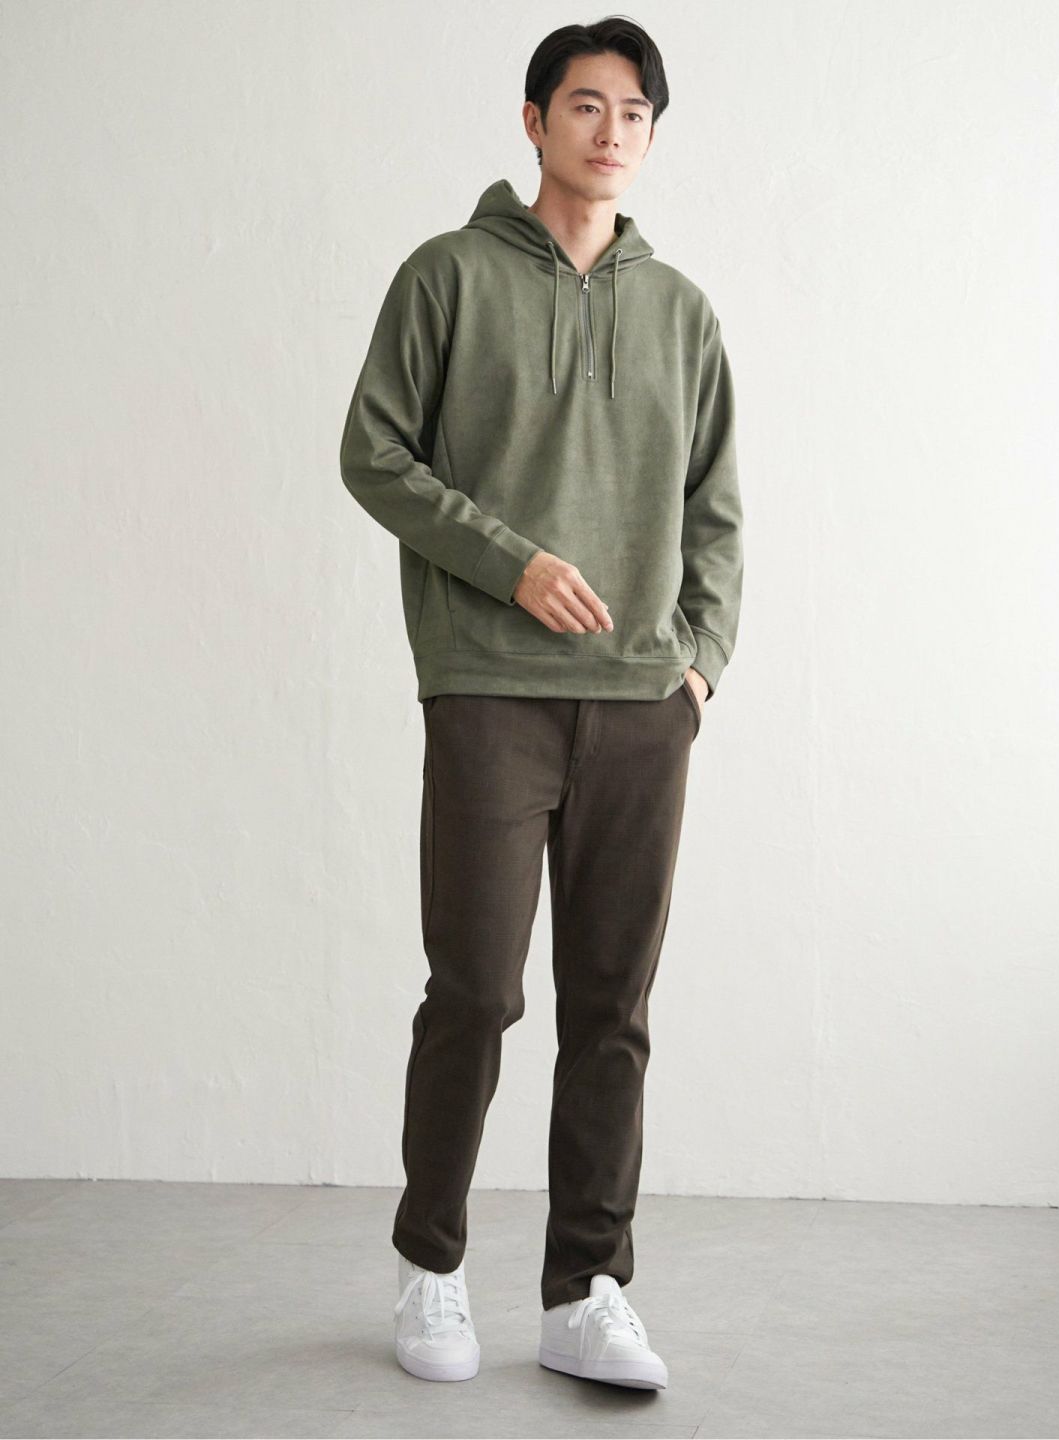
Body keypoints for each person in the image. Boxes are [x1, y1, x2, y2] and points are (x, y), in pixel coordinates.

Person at [339, 14, 743, 1393]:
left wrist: (699, 660)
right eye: (585, 104)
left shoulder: (680, 310)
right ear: (534, 120)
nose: (612, 130)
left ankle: (588, 1287)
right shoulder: (447, 277)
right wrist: (512, 565)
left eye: (635, 112)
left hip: (641, 706)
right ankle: (431, 1264)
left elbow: (717, 506)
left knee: (613, 1005)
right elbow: (374, 453)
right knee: (475, 989)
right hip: (489, 692)